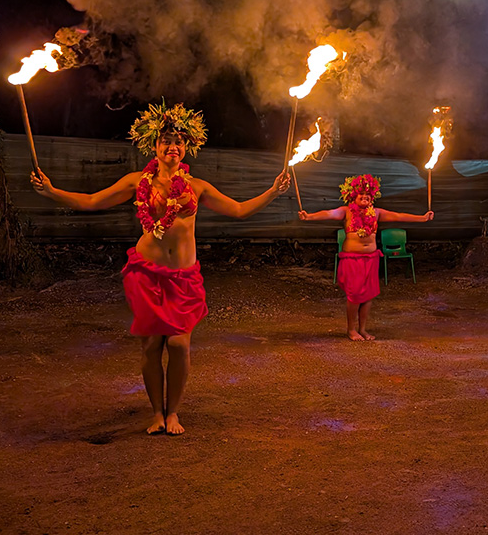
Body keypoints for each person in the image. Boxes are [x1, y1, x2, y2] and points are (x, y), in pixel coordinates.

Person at [30, 101, 290, 435]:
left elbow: (239, 210)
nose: (173, 146)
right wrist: (51, 192)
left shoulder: (197, 187)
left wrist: (272, 192)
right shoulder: (136, 181)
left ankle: (174, 413)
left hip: (183, 277)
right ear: (154, 145)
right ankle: (156, 413)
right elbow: (92, 201)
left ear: (187, 148)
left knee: (180, 345)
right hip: (146, 273)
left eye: (180, 140)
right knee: (152, 345)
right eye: (166, 139)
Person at [298, 174, 433, 341]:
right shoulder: (346, 211)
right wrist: (309, 216)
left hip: (371, 259)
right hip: (352, 260)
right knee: (354, 295)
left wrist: (422, 218)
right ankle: (351, 330)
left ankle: (362, 329)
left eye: (368, 195)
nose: (364, 197)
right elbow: (329, 213)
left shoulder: (376, 213)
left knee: (368, 296)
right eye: (361, 195)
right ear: (353, 196)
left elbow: (398, 216)